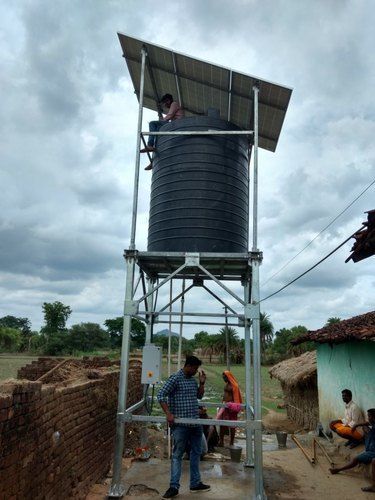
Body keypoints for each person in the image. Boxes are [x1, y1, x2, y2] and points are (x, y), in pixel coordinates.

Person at [157, 355, 211, 499]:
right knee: (177, 455)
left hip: (195, 424)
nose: (196, 371)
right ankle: (174, 486)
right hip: (181, 425)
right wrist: (168, 413)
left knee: (196, 453)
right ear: (189, 366)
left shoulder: (193, 381)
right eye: (195, 369)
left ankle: (195, 483)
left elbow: (198, 397)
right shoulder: (175, 378)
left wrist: (202, 383)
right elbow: (160, 395)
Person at [330, 408, 375, 493]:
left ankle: (339, 469)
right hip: (370, 448)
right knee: (365, 428)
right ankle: (339, 469)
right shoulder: (372, 423)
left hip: (373, 451)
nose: (368, 418)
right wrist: (357, 425)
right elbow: (367, 423)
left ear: (373, 417)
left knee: (358, 459)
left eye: (369, 416)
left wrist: (368, 433)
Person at [141, 93, 184, 171]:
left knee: (152, 123)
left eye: (165, 102)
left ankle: (149, 144)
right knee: (157, 133)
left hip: (177, 125)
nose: (165, 105)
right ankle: (153, 161)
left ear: (168, 100)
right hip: (174, 125)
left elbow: (169, 116)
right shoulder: (173, 105)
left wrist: (161, 120)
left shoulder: (174, 104)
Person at [216, 370, 242, 447]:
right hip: (224, 406)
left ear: (228, 377)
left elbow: (237, 398)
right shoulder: (227, 384)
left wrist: (234, 406)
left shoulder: (235, 386)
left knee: (232, 425)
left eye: (224, 377)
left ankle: (231, 442)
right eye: (223, 377)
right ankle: (221, 441)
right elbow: (225, 395)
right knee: (222, 424)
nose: (223, 378)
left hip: (231, 408)